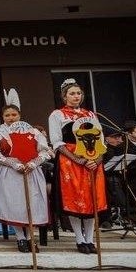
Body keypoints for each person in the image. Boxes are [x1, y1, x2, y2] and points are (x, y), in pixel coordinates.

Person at [47, 78, 107, 255]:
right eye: (72, 93)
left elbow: (101, 141)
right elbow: (57, 142)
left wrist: (97, 159)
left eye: (78, 93)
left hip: (93, 160)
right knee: (74, 198)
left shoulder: (91, 115)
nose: (76, 96)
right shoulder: (57, 115)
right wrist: (77, 159)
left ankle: (90, 239)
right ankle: (79, 239)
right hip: (71, 161)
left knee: (92, 200)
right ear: (64, 96)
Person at [0, 100, 52, 253]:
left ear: (20, 115)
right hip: (10, 173)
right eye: (7, 115)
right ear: (3, 117)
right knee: (15, 205)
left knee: (32, 205)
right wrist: (12, 163)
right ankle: (20, 237)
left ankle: (30, 238)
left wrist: (35, 163)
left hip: (30, 171)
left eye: (14, 114)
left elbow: (44, 151)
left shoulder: (33, 132)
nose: (11, 118)